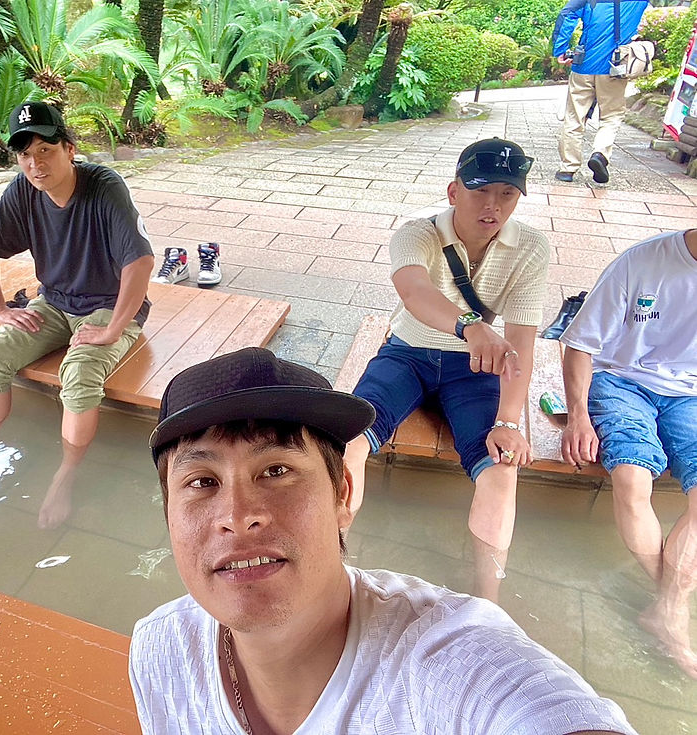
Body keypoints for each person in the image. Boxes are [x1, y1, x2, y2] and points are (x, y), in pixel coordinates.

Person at [130, 347, 637, 735]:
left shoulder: (442, 662)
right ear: (169, 513)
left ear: (343, 495)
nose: (238, 518)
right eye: (202, 482)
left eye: (277, 470)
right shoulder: (160, 650)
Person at [343, 138, 549, 602]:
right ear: (454, 191)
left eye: (507, 193)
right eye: (481, 191)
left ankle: (487, 604)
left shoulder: (531, 247)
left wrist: (509, 422)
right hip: (407, 353)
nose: (493, 206)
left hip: (476, 368)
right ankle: (332, 566)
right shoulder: (416, 234)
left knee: (502, 465)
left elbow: (520, 344)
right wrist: (470, 326)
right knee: (349, 439)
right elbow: (414, 291)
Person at [0, 101, 154, 528]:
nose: (35, 165)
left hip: (108, 305)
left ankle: (65, 475)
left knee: (80, 372)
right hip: (53, 300)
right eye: (25, 155)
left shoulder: (104, 187)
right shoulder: (24, 190)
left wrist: (113, 329)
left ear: (69, 149)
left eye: (45, 150)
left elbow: (140, 262)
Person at [560, 229, 697, 680]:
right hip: (621, 381)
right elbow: (580, 345)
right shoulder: (642, 262)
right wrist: (579, 416)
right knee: (632, 477)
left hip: (690, 395)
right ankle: (673, 608)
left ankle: (667, 610)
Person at [551, 0, 649, 184]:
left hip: (583, 65)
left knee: (574, 117)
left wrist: (560, 49)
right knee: (611, 116)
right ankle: (600, 154)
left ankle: (568, 169)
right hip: (614, 68)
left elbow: (567, 14)